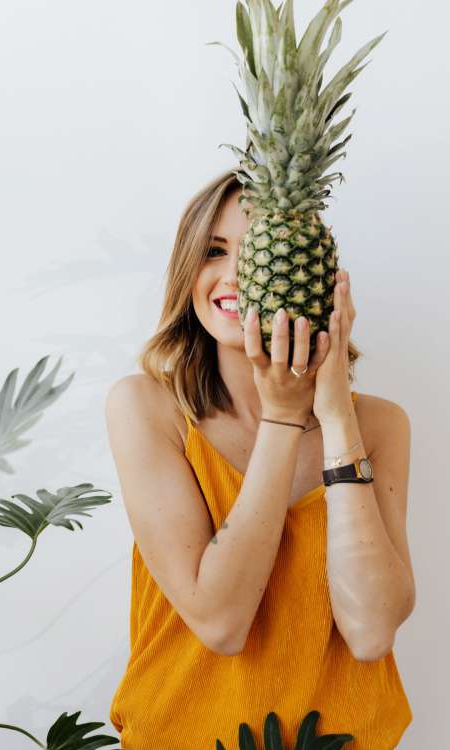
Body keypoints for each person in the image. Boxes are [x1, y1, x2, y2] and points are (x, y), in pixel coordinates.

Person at [105, 170, 415, 749]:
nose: (237, 274)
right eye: (213, 251)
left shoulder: (380, 425)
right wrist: (281, 420)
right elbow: (221, 623)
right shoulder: (147, 408)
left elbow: (372, 631)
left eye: (259, 251)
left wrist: (336, 414)